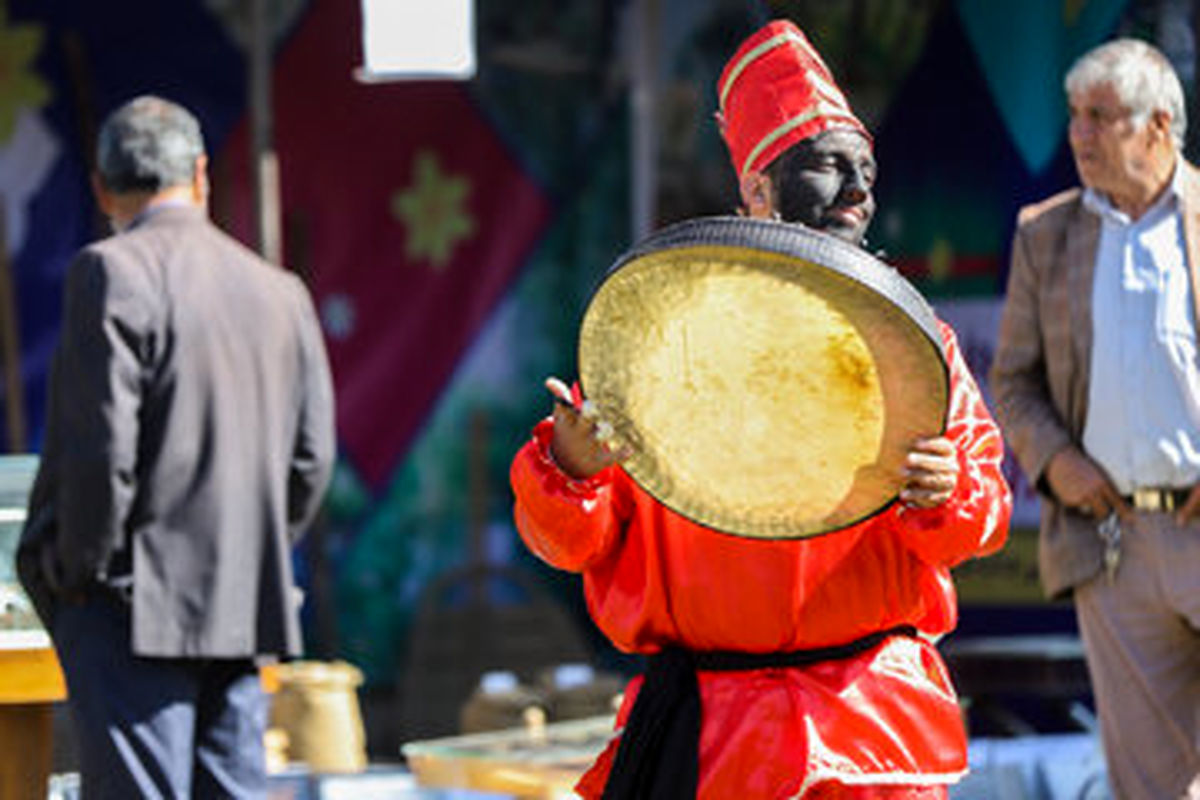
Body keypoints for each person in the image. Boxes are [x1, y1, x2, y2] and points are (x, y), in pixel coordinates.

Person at [510, 20, 1011, 799]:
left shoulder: (919, 346)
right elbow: (566, 540)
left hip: (870, 726)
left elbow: (985, 513)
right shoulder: (661, 341)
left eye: (865, 173)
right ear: (756, 189)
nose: (854, 192)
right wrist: (570, 469)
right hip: (711, 740)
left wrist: (946, 492)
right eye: (825, 168)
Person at [16, 95, 336, 798]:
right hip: (242, 604)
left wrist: (77, 574)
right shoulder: (280, 292)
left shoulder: (110, 273)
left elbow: (100, 454)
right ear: (200, 175)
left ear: (102, 189)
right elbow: (311, 462)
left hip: (130, 607)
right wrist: (253, 550)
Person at [991, 38, 1200, 798]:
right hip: (1113, 545)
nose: (1078, 133)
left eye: (1101, 116)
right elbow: (1013, 382)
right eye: (1075, 114)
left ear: (1159, 127)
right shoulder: (1045, 235)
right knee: (1149, 784)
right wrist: (1056, 462)